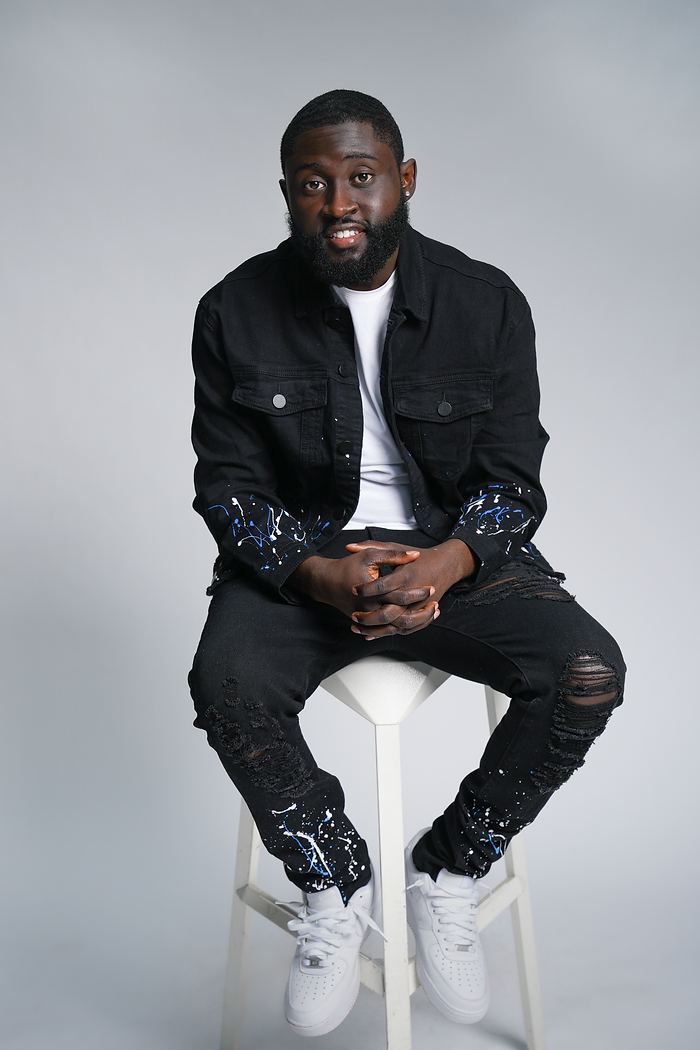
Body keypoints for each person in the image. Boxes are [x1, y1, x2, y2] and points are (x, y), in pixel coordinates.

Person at [189, 89, 625, 1038]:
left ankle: (449, 870)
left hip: (456, 548)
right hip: (302, 558)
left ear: (405, 182)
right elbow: (228, 491)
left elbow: (514, 481)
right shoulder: (233, 310)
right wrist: (313, 572)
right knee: (224, 683)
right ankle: (333, 883)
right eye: (313, 184)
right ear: (287, 196)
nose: (338, 202)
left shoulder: (488, 303)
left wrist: (449, 562)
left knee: (587, 675)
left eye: (360, 177)